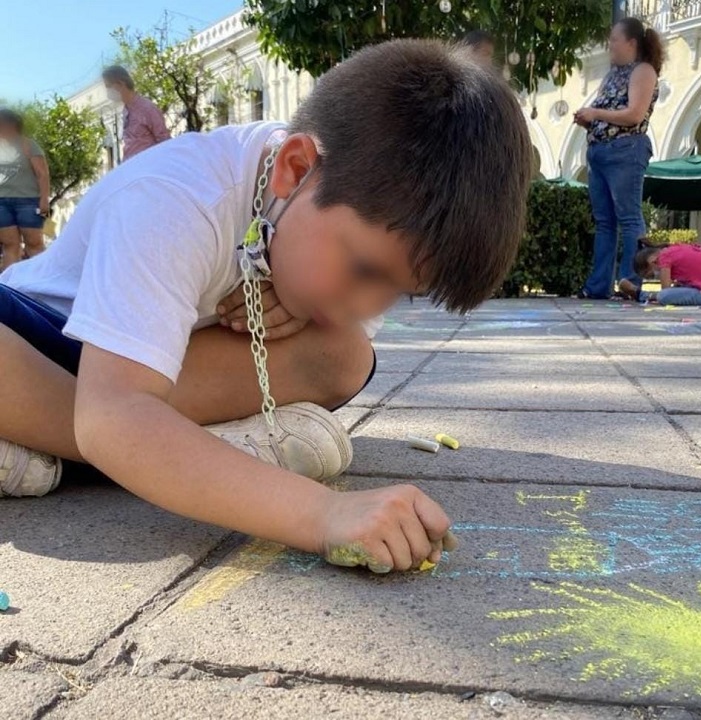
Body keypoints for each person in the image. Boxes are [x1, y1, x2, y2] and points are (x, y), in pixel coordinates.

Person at [0, 40, 533, 575]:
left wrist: (298, 297)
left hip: (156, 371)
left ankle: (74, 443)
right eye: (365, 270)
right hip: (42, 338)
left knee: (344, 353)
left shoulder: (334, 196)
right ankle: (126, 453)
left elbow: (336, 324)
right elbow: (111, 415)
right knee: (114, 419)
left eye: (399, 290)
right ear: (293, 169)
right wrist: (322, 513)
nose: (370, 303)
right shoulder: (174, 196)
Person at [573, 17, 665, 299]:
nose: (609, 45)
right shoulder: (613, 74)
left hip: (626, 149)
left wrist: (596, 114)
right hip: (600, 150)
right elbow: (612, 111)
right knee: (604, 221)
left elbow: (635, 114)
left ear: (631, 43)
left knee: (628, 217)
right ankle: (598, 285)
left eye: (614, 39)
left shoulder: (643, 71)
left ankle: (631, 281)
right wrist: (588, 122)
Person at [0, 109, 50, 269]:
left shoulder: (28, 145)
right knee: (10, 245)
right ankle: (10, 287)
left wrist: (44, 200)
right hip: (2, 203)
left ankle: (42, 284)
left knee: (34, 244)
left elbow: (42, 174)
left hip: (28, 201)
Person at [102, 65, 170, 161]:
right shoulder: (125, 111)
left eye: (108, 86)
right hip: (133, 168)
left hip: (149, 166)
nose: (108, 92)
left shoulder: (147, 108)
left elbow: (165, 141)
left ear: (120, 84)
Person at [631, 243, 701, 306]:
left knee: (663, 296)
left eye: (651, 275)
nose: (655, 276)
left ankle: (643, 295)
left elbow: (666, 289)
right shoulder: (674, 250)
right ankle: (641, 294)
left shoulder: (663, 257)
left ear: (652, 262)